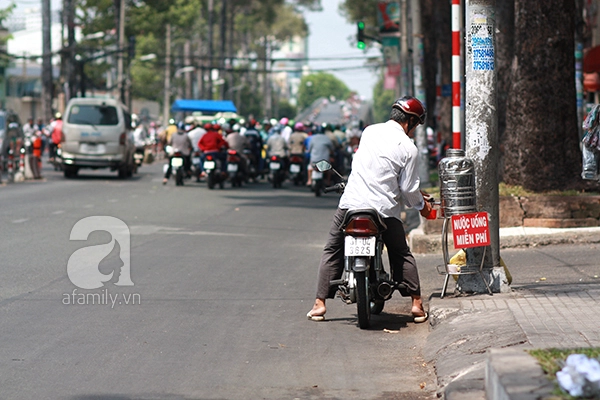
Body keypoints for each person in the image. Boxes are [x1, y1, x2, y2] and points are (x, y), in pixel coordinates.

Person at [306, 96, 434, 323]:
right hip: (384, 211)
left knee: (332, 250)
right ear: (411, 122)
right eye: (416, 125)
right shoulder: (408, 148)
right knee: (400, 253)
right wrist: (423, 206)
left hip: (351, 205)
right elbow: (408, 188)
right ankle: (416, 303)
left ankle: (319, 304)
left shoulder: (369, 132)